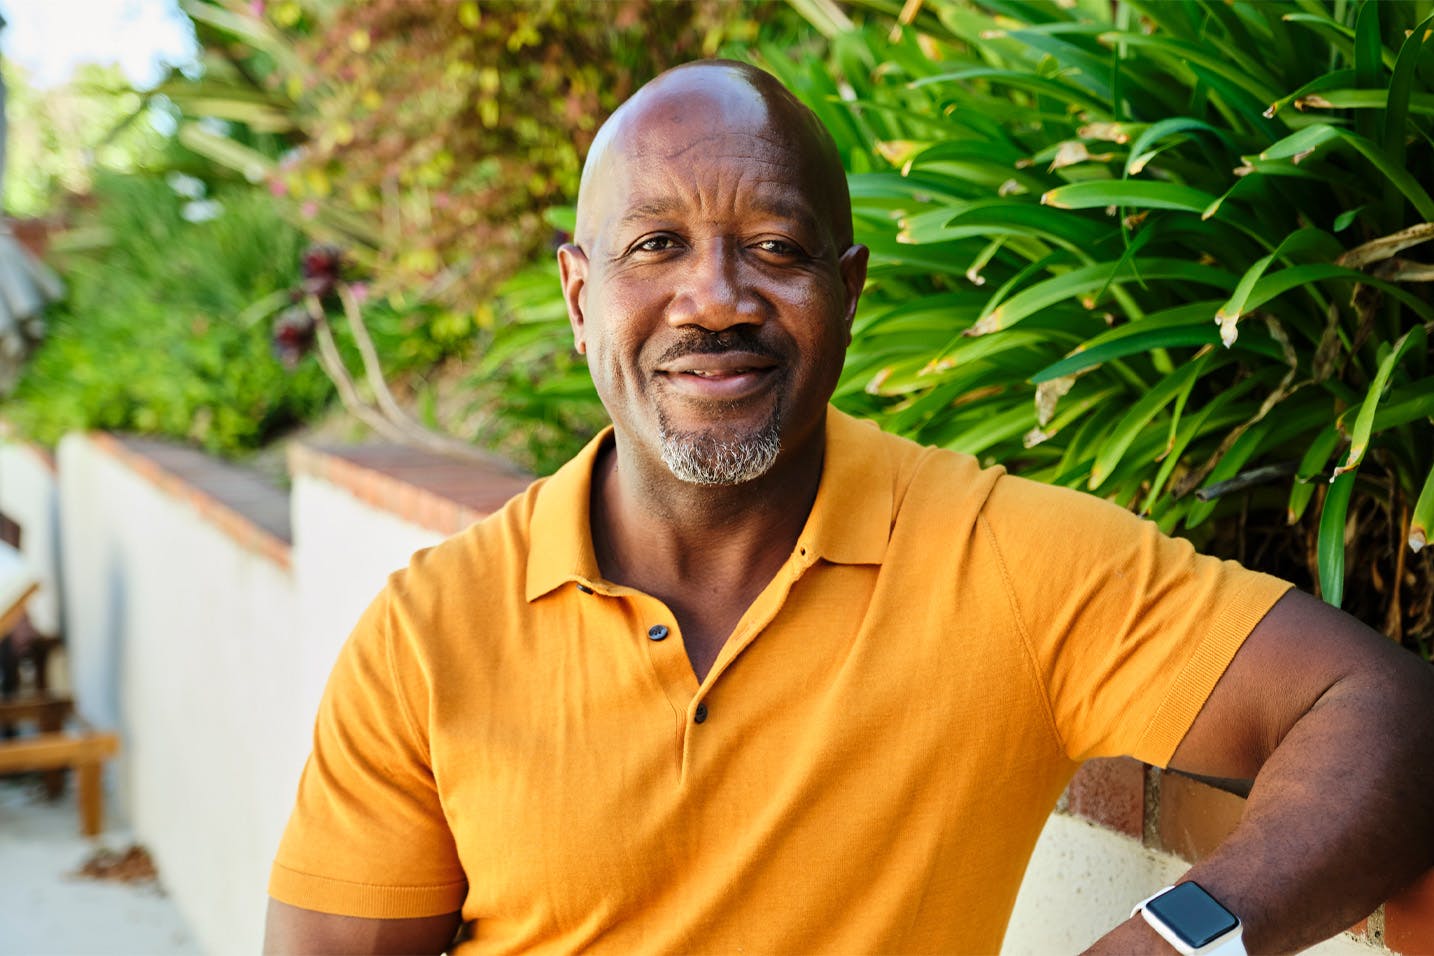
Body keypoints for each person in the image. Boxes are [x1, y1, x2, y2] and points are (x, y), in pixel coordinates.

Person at [264, 60, 1434, 955]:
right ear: (581, 295)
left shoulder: (1007, 560)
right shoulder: (430, 632)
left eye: (773, 246)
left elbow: (1382, 707)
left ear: (848, 290)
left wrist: (1178, 937)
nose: (714, 300)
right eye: (656, 244)